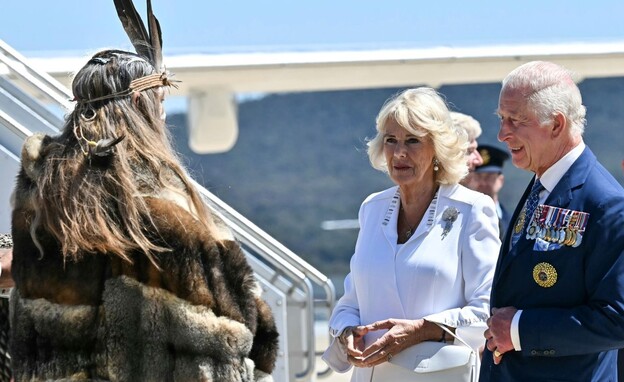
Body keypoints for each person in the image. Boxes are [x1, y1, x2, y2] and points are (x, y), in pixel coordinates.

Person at [8, 1, 278, 381]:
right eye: (161, 102)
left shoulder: (44, 195)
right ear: (140, 102)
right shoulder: (164, 209)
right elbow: (239, 323)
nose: (163, 114)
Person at [322, 87, 501, 381]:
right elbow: (351, 302)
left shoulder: (472, 209)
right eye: (391, 140)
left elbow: (488, 309)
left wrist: (422, 329)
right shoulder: (372, 208)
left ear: (437, 148)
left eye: (413, 141)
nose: (399, 153)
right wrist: (347, 332)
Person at [480, 61, 624, 382]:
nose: (503, 134)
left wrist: (519, 331)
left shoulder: (606, 203)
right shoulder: (542, 182)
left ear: (556, 125)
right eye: (501, 120)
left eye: (516, 121)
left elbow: (617, 318)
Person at [469, 144, 512, 240]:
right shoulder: (461, 216)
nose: (483, 182)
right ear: (471, 179)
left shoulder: (513, 222)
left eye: (489, 176)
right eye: (478, 176)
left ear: (501, 180)